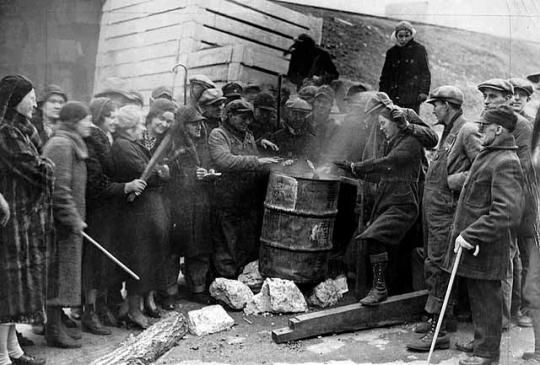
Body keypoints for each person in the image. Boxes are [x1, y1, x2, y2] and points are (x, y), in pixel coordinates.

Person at [443, 105, 523, 365]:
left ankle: (487, 355)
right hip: (476, 244)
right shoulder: (489, 154)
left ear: (498, 129)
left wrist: (472, 234)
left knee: (487, 297)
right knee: (479, 295)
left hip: (486, 245)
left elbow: (506, 213)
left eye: (484, 126)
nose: (478, 129)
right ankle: (482, 344)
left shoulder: (507, 162)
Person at [405, 86, 482, 351]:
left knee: (440, 263)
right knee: (432, 261)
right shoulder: (448, 131)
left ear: (448, 105)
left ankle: (439, 331)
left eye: (436, 105)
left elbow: (482, 168)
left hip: (447, 211)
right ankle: (438, 318)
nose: (433, 109)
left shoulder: (467, 130)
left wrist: (455, 180)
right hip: (434, 209)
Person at [334, 102, 425, 306]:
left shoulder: (410, 142)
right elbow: (383, 174)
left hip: (403, 203)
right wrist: (351, 171)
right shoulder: (393, 141)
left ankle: (380, 289)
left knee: (374, 236)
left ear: (396, 123)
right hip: (388, 200)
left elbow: (387, 163)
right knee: (384, 245)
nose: (381, 128)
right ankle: (385, 289)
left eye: (383, 123)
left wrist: (355, 167)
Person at [82, 98, 147, 333]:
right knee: (94, 262)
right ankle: (90, 312)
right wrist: (125, 187)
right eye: (110, 115)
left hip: (109, 210)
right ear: (99, 116)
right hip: (97, 210)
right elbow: (96, 184)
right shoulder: (92, 139)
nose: (114, 119)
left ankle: (100, 307)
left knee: (104, 263)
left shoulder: (106, 139)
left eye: (115, 115)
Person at [477, 78, 535, 331]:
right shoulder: (491, 121)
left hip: (514, 198)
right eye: (485, 96)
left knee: (506, 259)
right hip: (499, 195)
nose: (487, 101)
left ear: (508, 98)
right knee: (509, 257)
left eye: (493, 96)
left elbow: (522, 167)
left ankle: (500, 321)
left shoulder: (519, 125)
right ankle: (506, 314)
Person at [0, 74, 50, 365]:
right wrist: (48, 167)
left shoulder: (20, 130)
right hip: (9, 220)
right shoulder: (7, 132)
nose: (34, 103)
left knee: (16, 285)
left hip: (22, 219)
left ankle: (13, 350)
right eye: (30, 98)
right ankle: (2, 356)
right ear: (16, 101)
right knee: (7, 287)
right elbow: (35, 170)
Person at [112, 105, 170, 329]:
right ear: (128, 128)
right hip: (134, 214)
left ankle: (130, 307)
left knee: (144, 258)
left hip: (143, 212)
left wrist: (159, 172)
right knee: (138, 259)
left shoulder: (132, 144)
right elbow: (148, 173)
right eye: (138, 125)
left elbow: (156, 171)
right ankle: (133, 309)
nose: (141, 129)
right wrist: (160, 172)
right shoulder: (122, 147)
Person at [208, 99, 279, 278]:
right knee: (227, 243)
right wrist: (257, 161)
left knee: (244, 242)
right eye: (242, 118)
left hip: (246, 199)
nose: (247, 122)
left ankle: (240, 279)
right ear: (230, 116)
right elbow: (224, 160)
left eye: (249, 118)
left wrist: (259, 142)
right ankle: (225, 281)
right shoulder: (218, 134)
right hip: (226, 199)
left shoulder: (247, 134)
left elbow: (249, 154)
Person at [42, 101, 93, 349]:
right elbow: (58, 190)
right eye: (86, 119)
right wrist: (72, 219)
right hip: (59, 225)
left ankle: (57, 323)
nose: (90, 124)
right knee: (59, 277)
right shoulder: (61, 145)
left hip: (69, 223)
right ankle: (52, 329)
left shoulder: (71, 142)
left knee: (66, 275)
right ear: (74, 121)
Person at [168, 107, 216, 303]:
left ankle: (197, 288)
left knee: (200, 246)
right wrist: (190, 175)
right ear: (183, 125)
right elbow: (168, 174)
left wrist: (209, 172)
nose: (199, 126)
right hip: (179, 204)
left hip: (201, 201)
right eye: (194, 123)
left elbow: (210, 164)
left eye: (200, 122)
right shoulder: (172, 145)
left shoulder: (202, 143)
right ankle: (169, 292)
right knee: (173, 250)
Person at [379, 20, 431, 113]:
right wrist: (382, 94)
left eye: (407, 36)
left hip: (412, 96)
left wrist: (423, 92)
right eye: (400, 36)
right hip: (393, 97)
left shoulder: (419, 50)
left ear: (411, 35)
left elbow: (425, 73)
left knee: (410, 124)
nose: (403, 39)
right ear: (396, 36)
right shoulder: (391, 52)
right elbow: (385, 76)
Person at [269, 97, 316, 167]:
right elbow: (270, 160)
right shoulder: (277, 137)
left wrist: (309, 164)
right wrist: (281, 163)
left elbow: (316, 161)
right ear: (288, 114)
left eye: (301, 115)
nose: (298, 118)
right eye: (295, 114)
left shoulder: (310, 139)